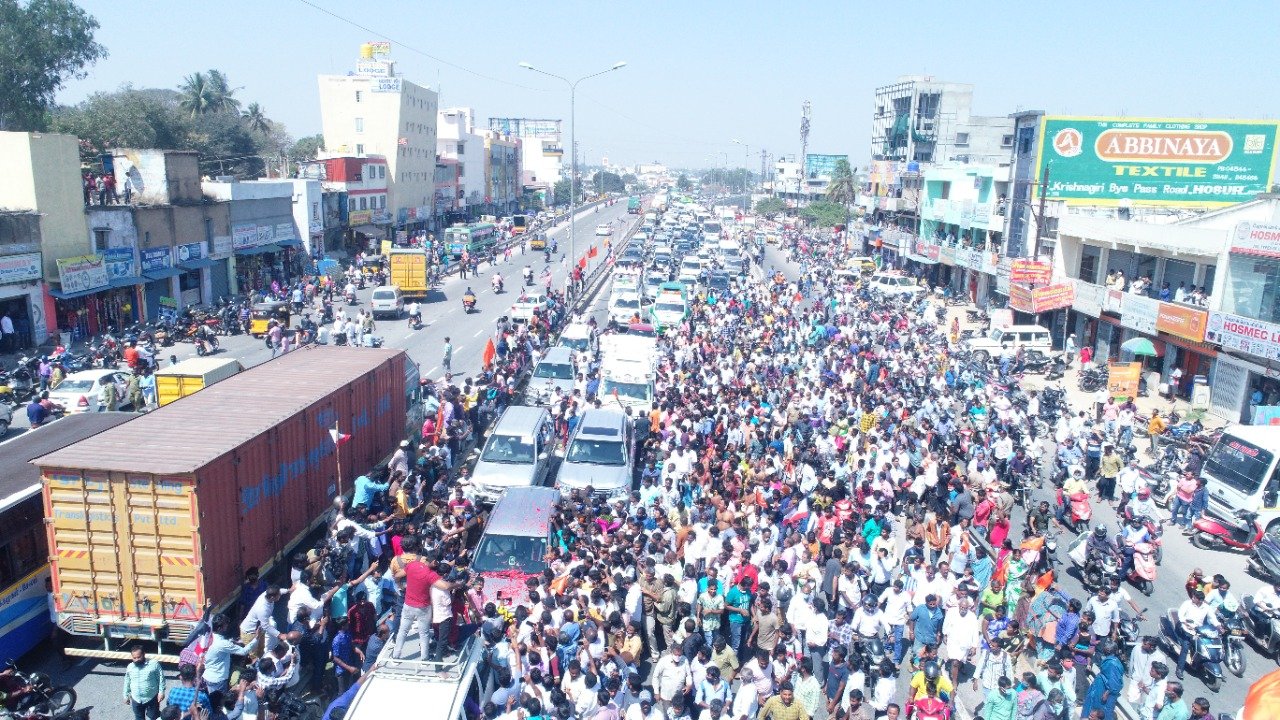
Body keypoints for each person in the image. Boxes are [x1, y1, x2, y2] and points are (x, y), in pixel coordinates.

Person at [123, 644, 165, 720]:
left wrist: (161, 692)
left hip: (152, 697)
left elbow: (161, 678)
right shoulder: (130, 667)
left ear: (144, 654)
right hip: (136, 699)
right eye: (134, 658)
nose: (136, 659)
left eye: (139, 657)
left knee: (153, 717)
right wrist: (126, 695)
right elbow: (127, 681)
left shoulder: (154, 664)